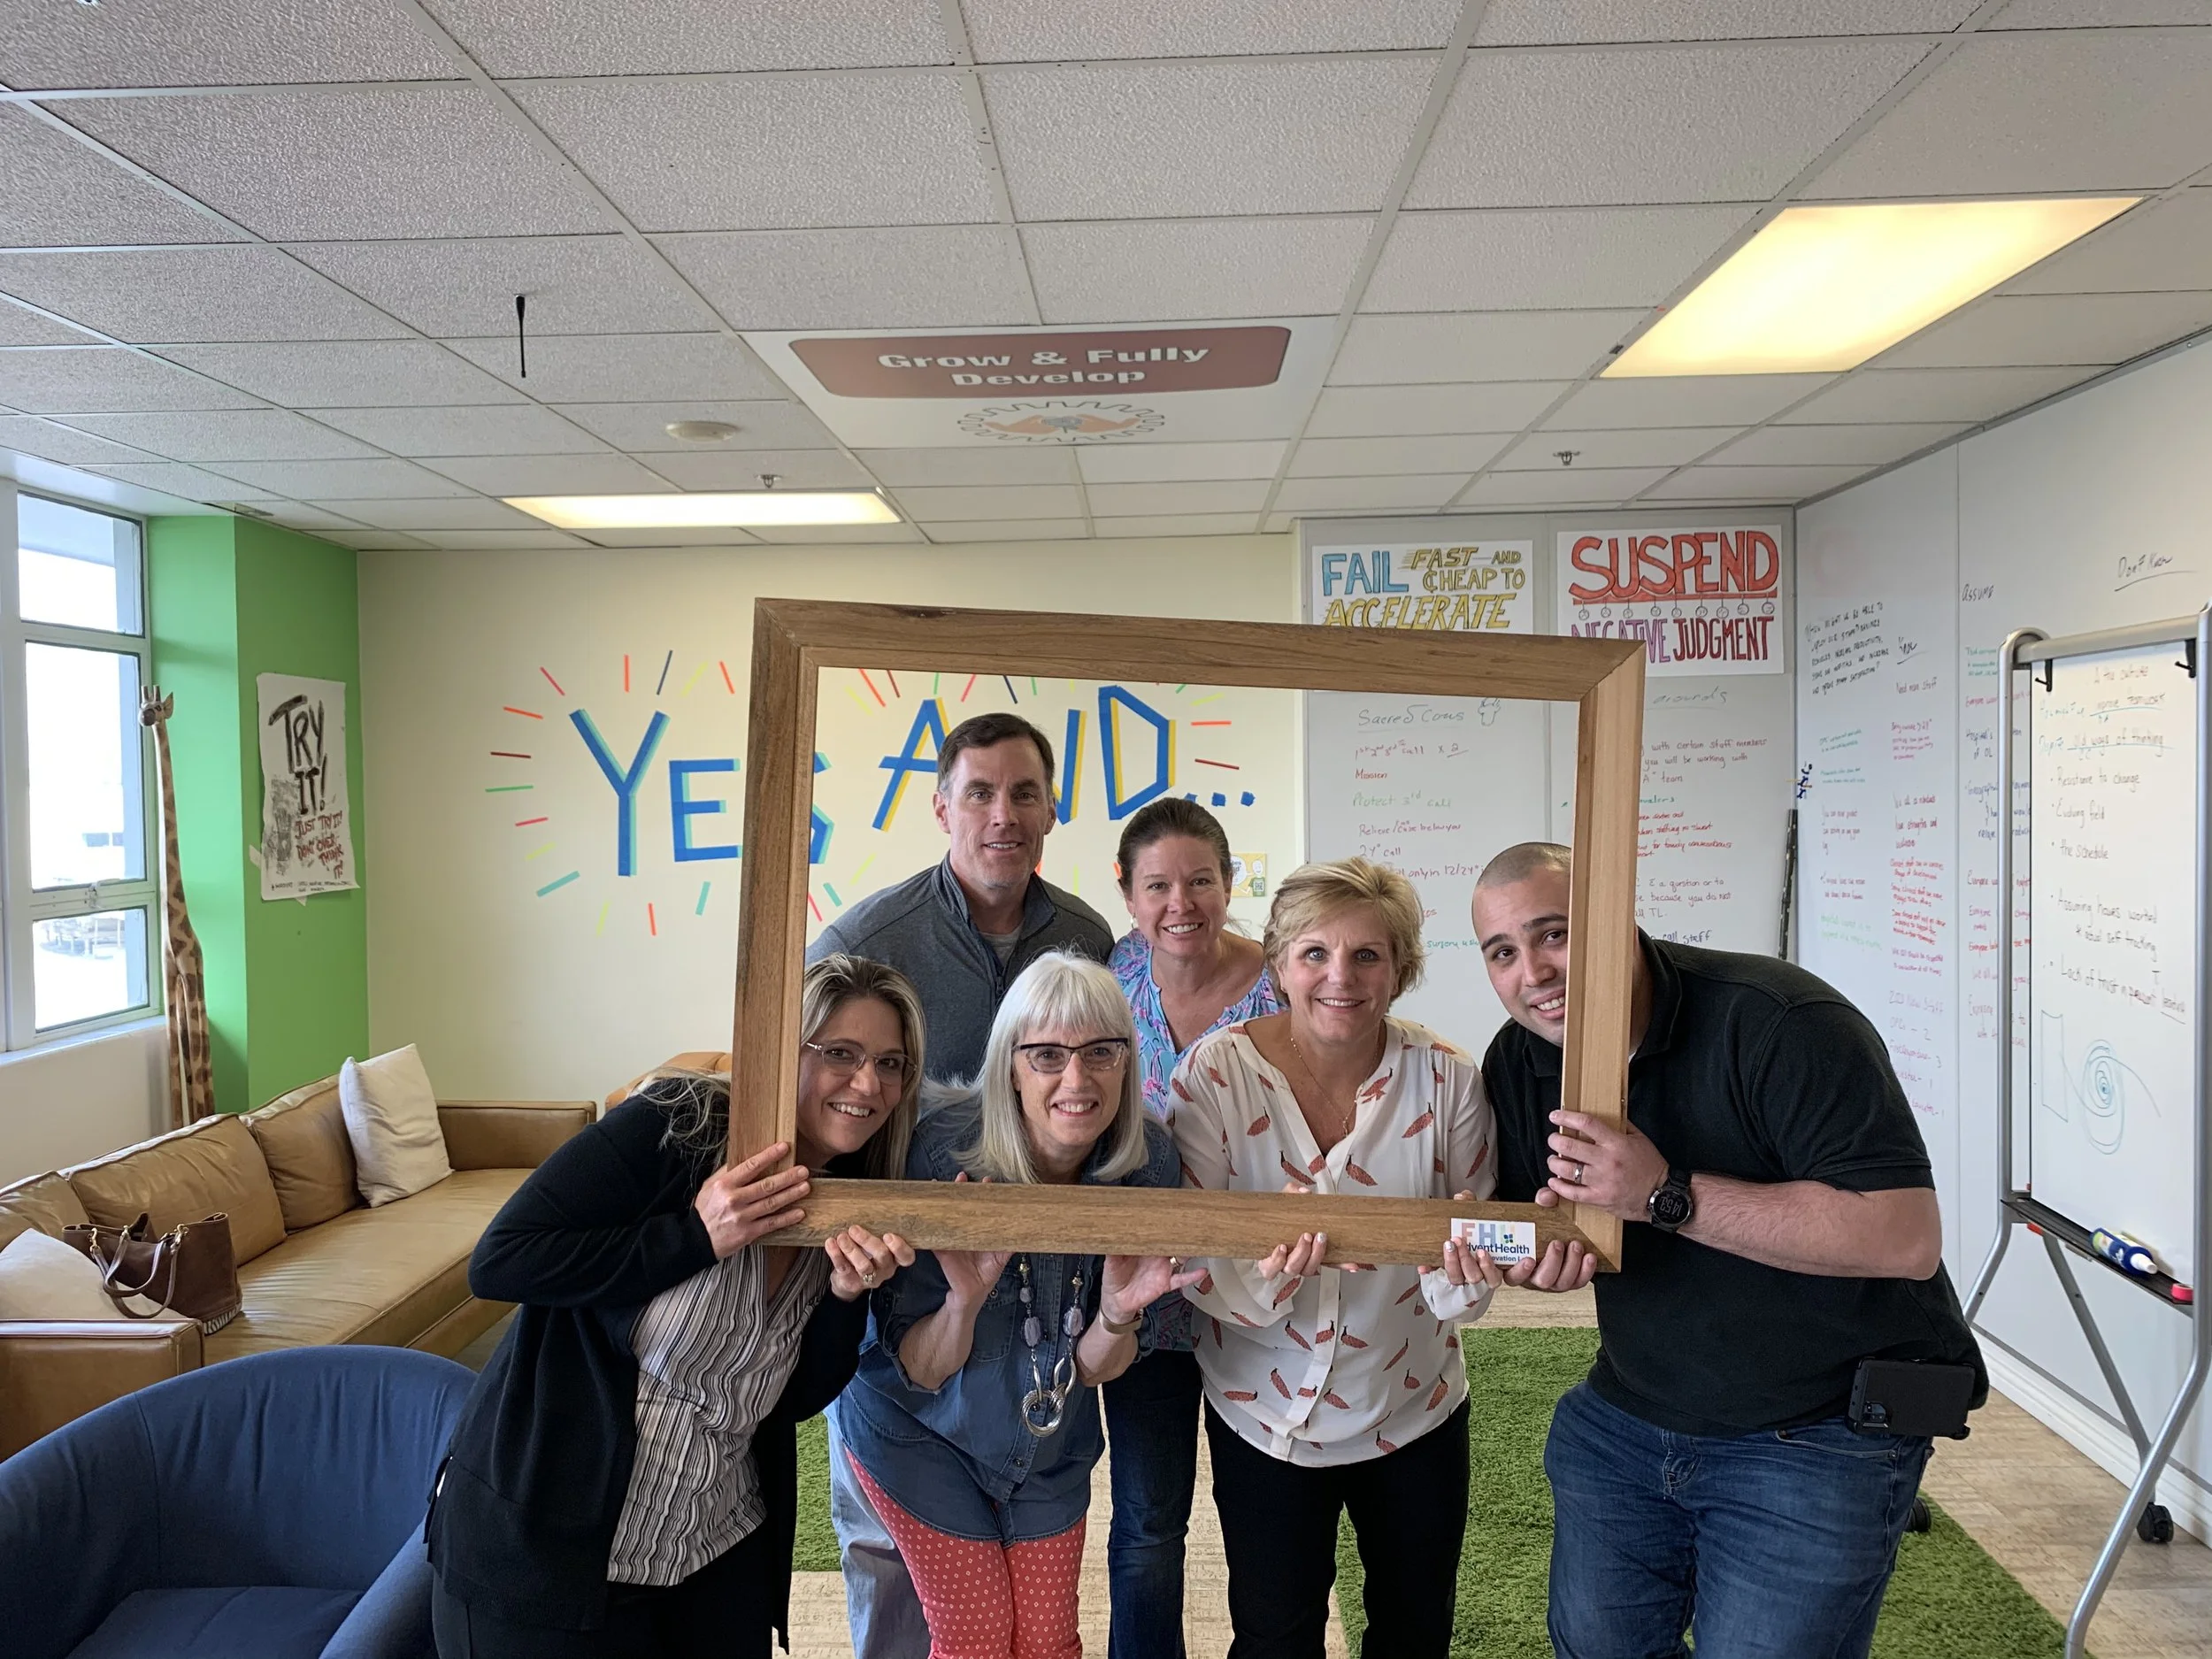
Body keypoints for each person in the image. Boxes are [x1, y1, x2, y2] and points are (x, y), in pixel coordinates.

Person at [1471, 841, 1985, 1659]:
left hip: (1820, 1429)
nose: (1533, 972)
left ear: (1617, 921)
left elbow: (1905, 1236)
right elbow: (1551, 1228)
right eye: (1502, 952)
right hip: (1634, 1410)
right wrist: (1539, 1261)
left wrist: (1663, 1194)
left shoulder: (1783, 1022)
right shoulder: (1524, 1058)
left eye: (1554, 934)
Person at [426, 955, 926, 1659]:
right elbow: (501, 1259)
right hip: (552, 1554)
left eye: (890, 1063)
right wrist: (695, 1236)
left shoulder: (849, 1193)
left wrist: (846, 1296)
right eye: (840, 1053)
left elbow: (789, 1401)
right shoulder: (676, 1126)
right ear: (783, 1051)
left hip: (711, 1547)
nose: (868, 1084)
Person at [807, 710, 1114, 1659]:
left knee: (1013, 1580)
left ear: (1052, 809)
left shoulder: (1086, 935)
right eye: (979, 792)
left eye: (1024, 793)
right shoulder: (869, 937)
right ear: (942, 807)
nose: (1002, 814)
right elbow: (810, 1093)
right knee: (883, 1548)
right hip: (898, 1282)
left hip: (1036, 1304)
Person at [1171, 857, 1497, 1659]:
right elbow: (1191, 1255)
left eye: (1367, 955)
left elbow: (1476, 1250)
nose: (1339, 977)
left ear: (1401, 968)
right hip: (1260, 1413)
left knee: (1415, 1632)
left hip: (1412, 1402)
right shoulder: (1215, 1074)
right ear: (1279, 963)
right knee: (1274, 1637)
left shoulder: (1448, 1079)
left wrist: (1461, 1281)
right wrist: (1264, 1276)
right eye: (1314, 952)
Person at [837, 953, 1195, 1659]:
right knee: (975, 1638)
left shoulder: (1148, 1164)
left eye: (1100, 1052)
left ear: (1127, 1060)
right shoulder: (939, 1154)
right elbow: (920, 1371)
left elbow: (1092, 1367)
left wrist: (1116, 1314)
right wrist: (963, 1302)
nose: (1077, 1078)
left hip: (1046, 1441)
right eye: (1048, 1055)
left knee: (1047, 1642)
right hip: (918, 1431)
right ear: (1010, 1066)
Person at [1102, 797, 1279, 1659]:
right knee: (1147, 1520)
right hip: (1148, 1298)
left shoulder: (1285, 983)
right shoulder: (1110, 980)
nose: (1182, 904)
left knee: (1264, 1519)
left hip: (1264, 1297)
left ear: (1229, 881)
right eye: (1158, 886)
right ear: (1127, 892)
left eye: (1201, 881)